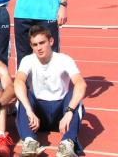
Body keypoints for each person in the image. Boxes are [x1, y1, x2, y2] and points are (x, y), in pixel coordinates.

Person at [14, 25, 86, 157]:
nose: (39, 48)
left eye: (42, 43)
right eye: (35, 44)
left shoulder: (64, 59)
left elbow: (81, 83)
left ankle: (67, 144)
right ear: (31, 46)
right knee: (23, 96)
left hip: (61, 112)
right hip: (38, 113)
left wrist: (69, 111)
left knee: (75, 94)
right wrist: (29, 110)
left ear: (51, 41)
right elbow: (18, 81)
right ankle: (30, 142)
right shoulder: (27, 60)